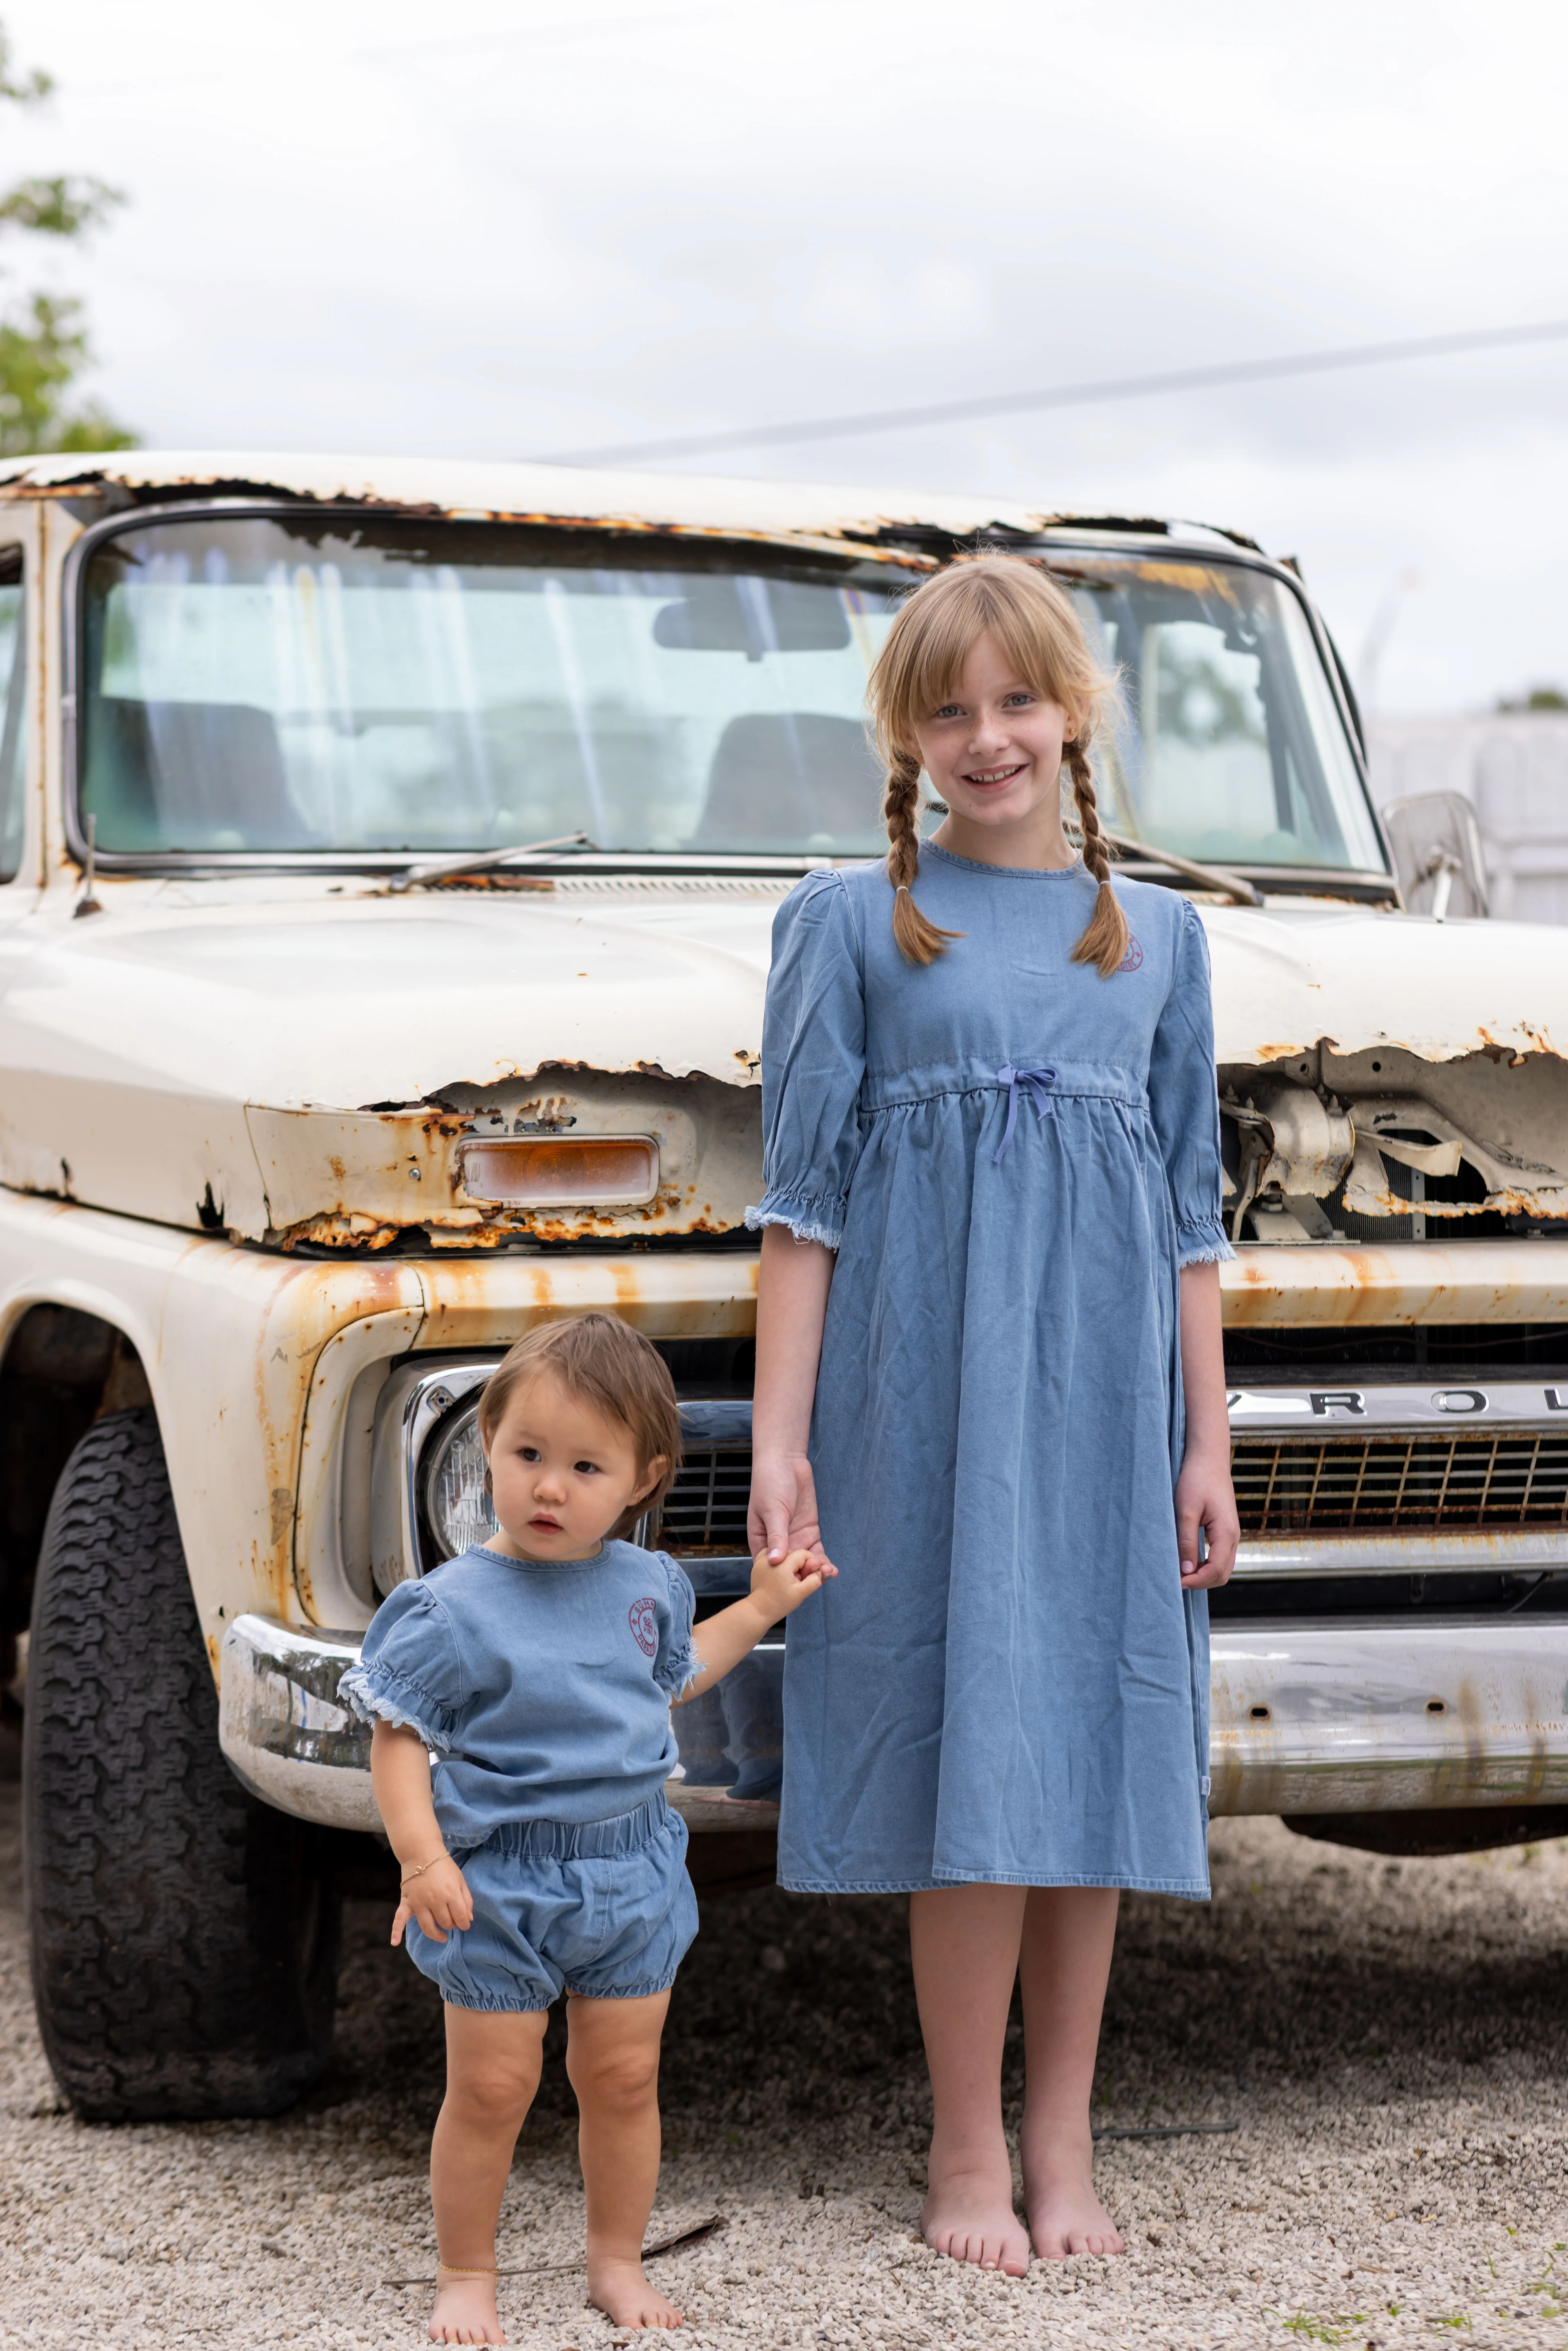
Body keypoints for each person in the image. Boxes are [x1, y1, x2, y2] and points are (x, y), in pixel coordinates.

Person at [746, 553, 1239, 2277]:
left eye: (1015, 701)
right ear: (905, 731)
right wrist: (783, 1439)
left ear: (1072, 713)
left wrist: (1208, 1439)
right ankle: (963, 2140)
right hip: (921, 1389)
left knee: (1086, 1748)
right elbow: (800, 1204)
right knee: (966, 1738)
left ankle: (1064, 2141)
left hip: (1103, 1398)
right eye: (946, 709)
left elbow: (1192, 1209)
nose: (985, 736)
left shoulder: (1160, 935)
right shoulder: (851, 922)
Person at [341, 1313, 829, 2345]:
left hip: (630, 1868)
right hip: (498, 1882)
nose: (550, 1488)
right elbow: (397, 1741)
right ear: (487, 1442)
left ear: (642, 1478)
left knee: (623, 2075)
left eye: (584, 1465)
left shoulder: (642, 1588)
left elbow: (669, 1679)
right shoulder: (451, 1608)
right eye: (528, 1455)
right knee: (490, 2085)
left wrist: (757, 1609)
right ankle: (467, 2270)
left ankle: (614, 2260)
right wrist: (421, 1857)